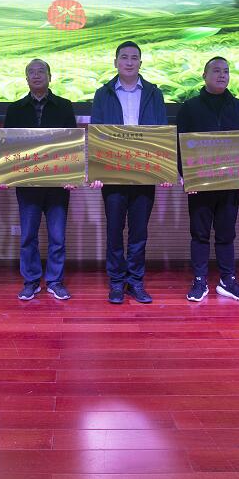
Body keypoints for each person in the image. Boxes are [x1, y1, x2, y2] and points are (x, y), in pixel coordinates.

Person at [90, 41, 170, 305]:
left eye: (134, 57)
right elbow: (97, 132)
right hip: (112, 174)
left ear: (140, 63)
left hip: (145, 174)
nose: (129, 62)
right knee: (114, 231)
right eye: (124, 57)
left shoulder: (154, 93)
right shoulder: (103, 94)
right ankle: (116, 282)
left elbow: (161, 132)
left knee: (139, 232)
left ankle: (135, 281)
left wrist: (164, 170)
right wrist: (97, 170)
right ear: (115, 62)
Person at [0, 59, 78, 301]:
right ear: (26, 78)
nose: (36, 75)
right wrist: (6, 174)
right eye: (31, 72)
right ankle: (31, 281)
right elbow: (7, 146)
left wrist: (71, 174)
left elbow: (72, 143)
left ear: (50, 76)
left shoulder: (64, 106)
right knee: (28, 236)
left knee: (57, 237)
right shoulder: (15, 109)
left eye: (41, 71)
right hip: (27, 185)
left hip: (58, 185)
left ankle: (55, 281)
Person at [177, 56, 239, 302]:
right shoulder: (190, 107)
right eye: (217, 71)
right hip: (200, 183)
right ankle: (200, 280)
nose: (222, 75)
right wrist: (185, 176)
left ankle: (227, 280)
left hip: (230, 183)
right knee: (199, 234)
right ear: (204, 76)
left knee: (226, 233)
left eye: (226, 71)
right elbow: (179, 143)